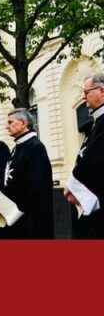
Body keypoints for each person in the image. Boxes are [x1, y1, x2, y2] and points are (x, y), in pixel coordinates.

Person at [0, 108, 54, 238]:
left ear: (23, 123)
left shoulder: (35, 147)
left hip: (30, 218)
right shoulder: (16, 148)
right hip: (12, 216)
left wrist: (13, 208)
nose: (6, 126)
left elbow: (34, 185)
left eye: (10, 122)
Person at [65, 74, 104, 238]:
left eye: (86, 92)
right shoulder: (97, 123)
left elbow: (97, 160)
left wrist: (74, 186)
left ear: (101, 91)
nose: (83, 97)